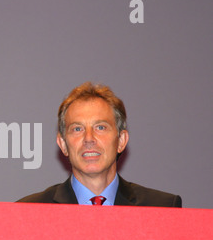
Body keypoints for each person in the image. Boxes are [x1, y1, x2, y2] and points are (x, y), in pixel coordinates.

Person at [17, 82, 181, 207]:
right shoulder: (29, 210)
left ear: (121, 141)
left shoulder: (162, 208)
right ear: (63, 144)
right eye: (77, 129)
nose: (89, 138)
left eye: (100, 127)